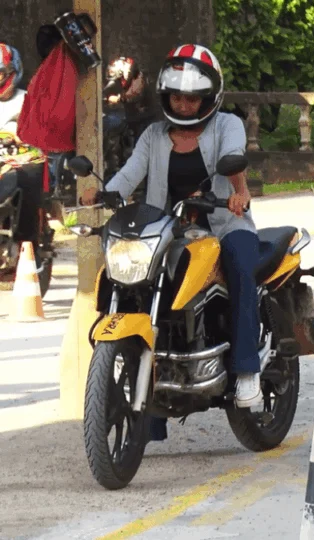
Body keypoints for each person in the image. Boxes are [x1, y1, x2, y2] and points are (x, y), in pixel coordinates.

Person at [80, 44, 263, 414]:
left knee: (241, 265)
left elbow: (233, 159)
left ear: (208, 97)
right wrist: (100, 193)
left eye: (192, 99)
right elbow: (131, 173)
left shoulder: (228, 124)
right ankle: (151, 406)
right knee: (135, 286)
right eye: (177, 97)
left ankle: (246, 372)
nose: (183, 105)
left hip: (225, 225)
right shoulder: (153, 135)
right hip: (168, 229)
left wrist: (239, 192)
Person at [0, 43, 46, 250]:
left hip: (23, 160)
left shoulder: (27, 99)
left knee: (27, 177)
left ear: (12, 71)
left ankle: (27, 241)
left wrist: (17, 134)